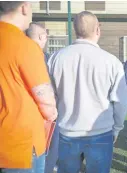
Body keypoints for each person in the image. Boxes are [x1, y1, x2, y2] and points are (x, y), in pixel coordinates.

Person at [47, 11, 127, 173]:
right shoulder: (111, 62)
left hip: (66, 132)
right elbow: (121, 101)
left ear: (75, 30)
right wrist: (117, 128)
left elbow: (49, 98)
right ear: (98, 30)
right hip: (100, 133)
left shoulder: (56, 58)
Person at [0, 1, 57, 172]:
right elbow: (45, 99)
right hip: (21, 142)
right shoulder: (25, 46)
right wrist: (53, 114)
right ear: (24, 7)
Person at [26, 22, 59, 173]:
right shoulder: (34, 56)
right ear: (41, 36)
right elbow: (41, 88)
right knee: (46, 153)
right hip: (41, 118)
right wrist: (53, 112)